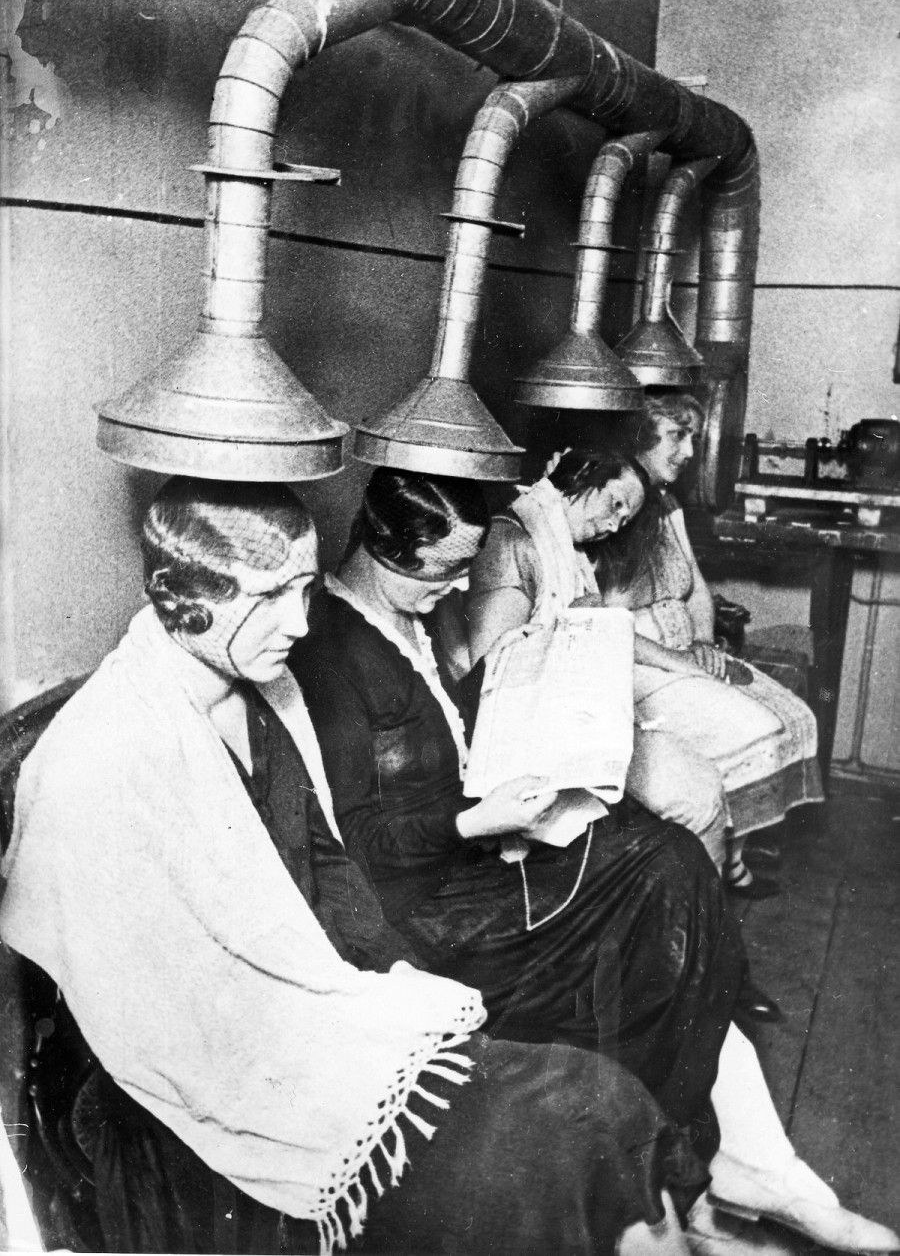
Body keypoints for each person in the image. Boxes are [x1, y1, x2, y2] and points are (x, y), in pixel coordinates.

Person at [1, 476, 720, 1256]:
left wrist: (394, 971)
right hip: (202, 1084)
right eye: (270, 596)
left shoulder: (265, 691)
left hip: (316, 1001)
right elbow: (149, 1014)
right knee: (557, 1134)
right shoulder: (93, 757)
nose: (300, 622)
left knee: (599, 1101)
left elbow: (328, 861)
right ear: (185, 598)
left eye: (305, 591)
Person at [291, 467, 897, 1256]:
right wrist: (478, 818)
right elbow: (363, 845)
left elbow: (445, 735)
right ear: (383, 548)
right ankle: (689, 1190)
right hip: (433, 916)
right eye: (439, 572)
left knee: (673, 861)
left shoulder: (403, 616)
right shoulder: (334, 651)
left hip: (472, 860)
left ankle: (711, 1177)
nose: (449, 593)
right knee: (658, 888)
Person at [592, 393, 824, 895]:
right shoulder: (612, 501)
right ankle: (716, 870)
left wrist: (703, 643)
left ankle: (732, 856)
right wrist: (682, 662)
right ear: (639, 437)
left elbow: (694, 583)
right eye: (678, 436)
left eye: (693, 436)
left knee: (792, 714)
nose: (690, 450)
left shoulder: (667, 503)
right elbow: (605, 625)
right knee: (755, 728)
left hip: (679, 651)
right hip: (634, 662)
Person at [466, 448, 731, 870]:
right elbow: (491, 678)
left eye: (623, 521)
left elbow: (598, 626)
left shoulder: (567, 550)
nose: (612, 526)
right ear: (584, 476)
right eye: (615, 505)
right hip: (534, 744)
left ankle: (697, 910)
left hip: (573, 720)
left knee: (702, 777)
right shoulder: (514, 541)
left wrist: (676, 662)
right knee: (696, 794)